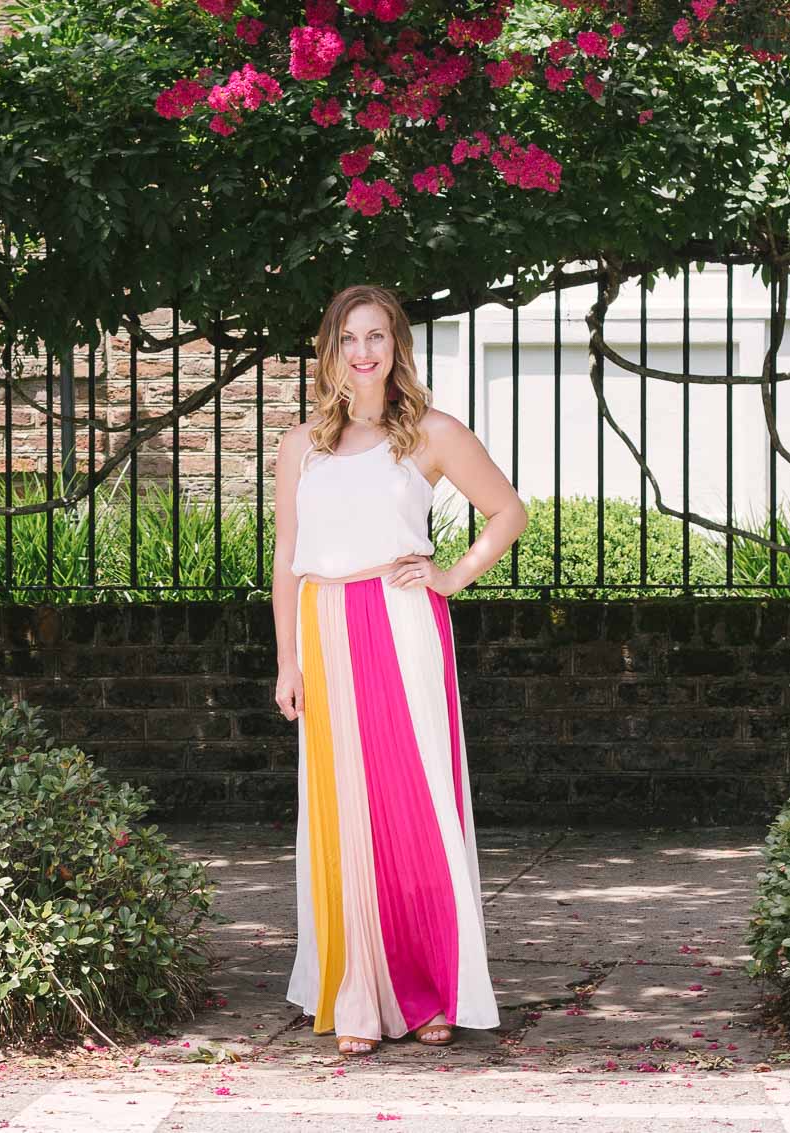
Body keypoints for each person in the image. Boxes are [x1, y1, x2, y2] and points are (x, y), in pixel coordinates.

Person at [270, 283, 529, 1057]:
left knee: (413, 805)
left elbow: (507, 511)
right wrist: (287, 658)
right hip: (323, 628)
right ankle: (356, 990)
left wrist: (454, 574)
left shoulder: (432, 433)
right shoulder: (300, 445)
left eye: (375, 336)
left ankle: (428, 988)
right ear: (330, 349)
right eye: (348, 338)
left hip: (402, 619)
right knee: (341, 812)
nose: (362, 352)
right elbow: (286, 560)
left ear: (397, 346)